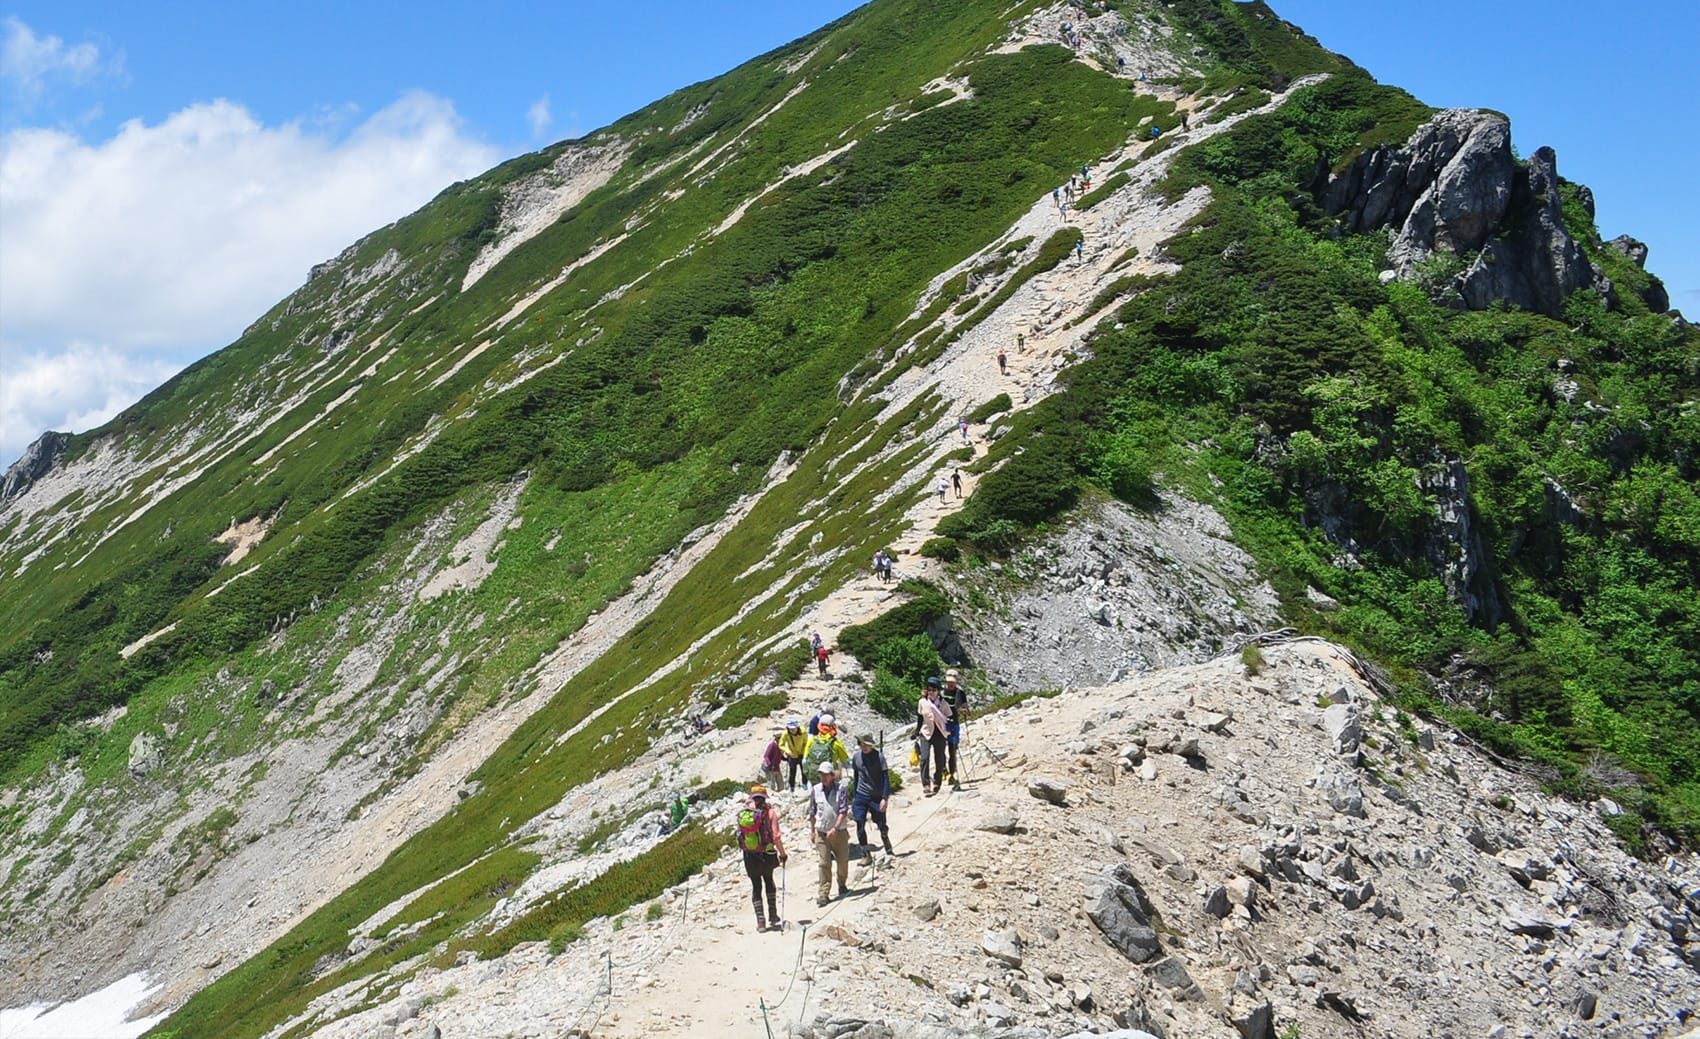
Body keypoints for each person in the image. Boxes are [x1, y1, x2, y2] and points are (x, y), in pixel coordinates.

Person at [735, 785, 787, 931]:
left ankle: (760, 921)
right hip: (766, 853)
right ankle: (773, 915)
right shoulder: (769, 812)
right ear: (764, 796)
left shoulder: (745, 812)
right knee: (769, 881)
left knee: (756, 886)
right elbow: (776, 836)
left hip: (749, 855)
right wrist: (782, 854)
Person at [809, 762, 851, 904]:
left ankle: (842, 884)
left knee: (843, 860)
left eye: (826, 774)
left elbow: (843, 811)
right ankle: (823, 893)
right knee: (824, 863)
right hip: (821, 832)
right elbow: (813, 812)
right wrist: (812, 831)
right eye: (821, 774)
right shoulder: (815, 790)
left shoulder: (841, 789)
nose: (823, 777)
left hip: (839, 832)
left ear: (832, 775)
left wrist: (836, 828)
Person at [849, 734, 894, 860]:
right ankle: (865, 854)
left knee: (881, 824)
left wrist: (884, 797)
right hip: (861, 795)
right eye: (862, 745)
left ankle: (886, 840)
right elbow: (856, 776)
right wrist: (855, 795)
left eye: (867, 745)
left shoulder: (879, 756)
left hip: (876, 796)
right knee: (859, 822)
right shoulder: (856, 757)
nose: (864, 747)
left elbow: (885, 777)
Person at [916, 677, 951, 796]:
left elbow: (949, 718)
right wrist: (916, 732)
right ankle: (925, 783)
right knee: (924, 757)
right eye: (929, 689)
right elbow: (920, 718)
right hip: (926, 732)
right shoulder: (922, 702)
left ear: (938, 691)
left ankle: (937, 781)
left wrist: (951, 730)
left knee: (940, 759)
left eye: (934, 690)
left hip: (940, 733)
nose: (931, 692)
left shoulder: (943, 703)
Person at [942, 668, 969, 788]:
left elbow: (965, 706)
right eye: (949, 682)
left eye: (952, 682)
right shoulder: (941, 692)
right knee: (940, 748)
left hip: (954, 723)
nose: (950, 684)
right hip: (942, 723)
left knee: (952, 749)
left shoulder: (960, 693)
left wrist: (965, 710)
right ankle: (944, 770)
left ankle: (952, 774)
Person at [779, 719, 809, 791]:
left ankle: (804, 784)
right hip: (792, 755)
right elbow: (781, 745)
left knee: (804, 771)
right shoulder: (785, 734)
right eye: (791, 729)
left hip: (802, 754)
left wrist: (804, 753)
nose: (792, 730)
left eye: (794, 729)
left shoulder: (803, 732)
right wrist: (788, 751)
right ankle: (792, 787)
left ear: (797, 727)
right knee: (792, 772)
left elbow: (806, 743)